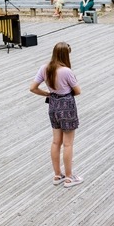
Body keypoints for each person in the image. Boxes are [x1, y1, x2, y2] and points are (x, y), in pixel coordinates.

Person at [30, 42, 83, 187]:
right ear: (66, 55)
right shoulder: (66, 71)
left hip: (53, 104)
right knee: (68, 144)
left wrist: (47, 93)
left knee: (55, 142)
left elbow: (33, 88)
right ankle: (69, 177)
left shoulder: (44, 68)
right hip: (66, 105)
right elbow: (78, 91)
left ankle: (57, 175)